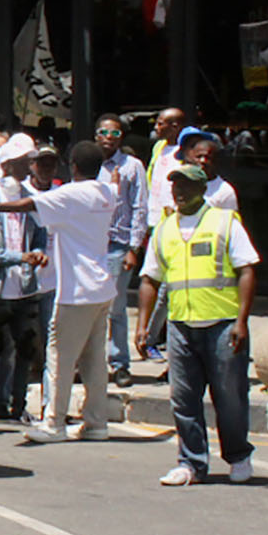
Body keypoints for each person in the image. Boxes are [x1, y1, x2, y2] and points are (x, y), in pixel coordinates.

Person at [136, 164, 259, 486]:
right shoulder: (164, 229)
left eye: (187, 186)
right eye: (175, 185)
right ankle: (191, 463)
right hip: (180, 324)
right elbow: (150, 278)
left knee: (230, 395)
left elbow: (246, 270)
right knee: (184, 398)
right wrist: (143, 325)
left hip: (222, 322)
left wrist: (242, 321)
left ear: (202, 189)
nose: (179, 191)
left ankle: (238, 455)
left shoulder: (224, 222)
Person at [0, 142, 117, 441]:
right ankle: (97, 423)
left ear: (73, 165)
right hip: (101, 287)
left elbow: (30, 205)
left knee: (59, 356)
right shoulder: (106, 192)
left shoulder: (72, 194)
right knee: (94, 360)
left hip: (77, 290)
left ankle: (54, 423)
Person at [0, 135, 51, 426]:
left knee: (24, 348)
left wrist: (38, 254)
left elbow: (40, 235)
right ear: (7, 164)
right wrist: (21, 257)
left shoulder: (31, 198)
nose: (28, 166)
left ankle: (18, 405)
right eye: (22, 161)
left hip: (25, 287)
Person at [94, 114, 150, 386]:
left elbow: (140, 207)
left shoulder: (132, 166)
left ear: (121, 137)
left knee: (115, 308)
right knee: (91, 307)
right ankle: (91, 362)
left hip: (118, 244)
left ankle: (119, 363)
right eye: (103, 132)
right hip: (90, 244)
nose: (107, 137)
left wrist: (134, 248)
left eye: (114, 133)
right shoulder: (89, 164)